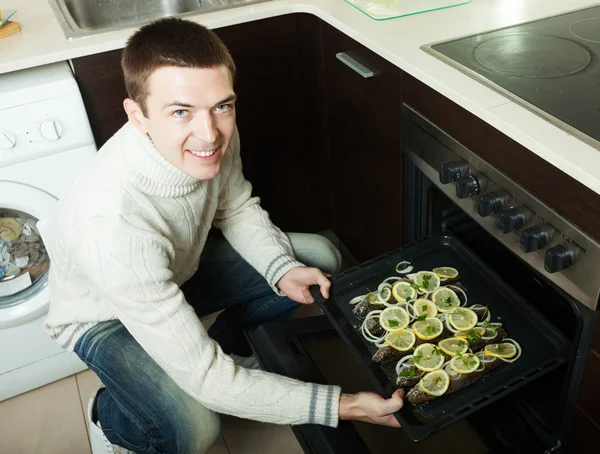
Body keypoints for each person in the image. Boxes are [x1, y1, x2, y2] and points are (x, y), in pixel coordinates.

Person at [44, 17, 404, 454]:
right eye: (180, 112)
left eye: (223, 106)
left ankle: (228, 346)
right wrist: (343, 405)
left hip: (174, 272)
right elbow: (210, 383)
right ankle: (110, 414)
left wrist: (282, 268)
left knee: (317, 257)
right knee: (194, 427)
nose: (209, 134)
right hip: (101, 316)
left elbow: (236, 206)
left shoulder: (211, 132)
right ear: (138, 116)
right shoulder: (112, 226)